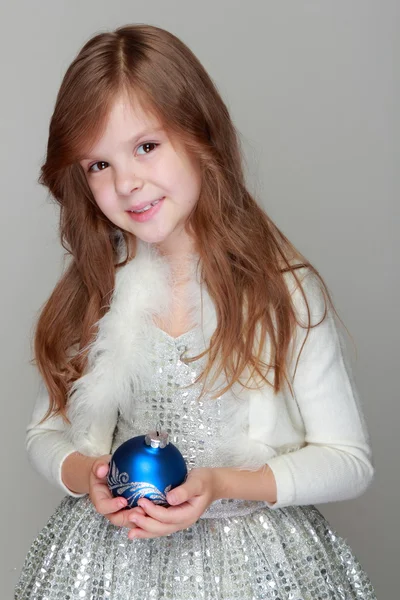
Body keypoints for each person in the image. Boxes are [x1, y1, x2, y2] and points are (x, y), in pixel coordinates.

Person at [15, 23, 377, 600]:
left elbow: (348, 461)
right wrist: (89, 474)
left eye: (146, 146)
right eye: (97, 165)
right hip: (114, 565)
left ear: (199, 133)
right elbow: (44, 433)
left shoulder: (282, 290)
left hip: (251, 564)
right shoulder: (97, 285)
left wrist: (223, 484)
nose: (127, 183)